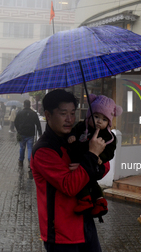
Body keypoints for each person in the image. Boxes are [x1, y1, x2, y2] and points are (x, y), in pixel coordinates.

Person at [31, 89, 110, 252]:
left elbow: (104, 166)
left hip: (85, 224)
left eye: (73, 113)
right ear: (48, 114)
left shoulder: (76, 138)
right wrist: (92, 156)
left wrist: (95, 161)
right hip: (62, 235)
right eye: (63, 113)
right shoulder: (44, 150)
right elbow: (70, 186)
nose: (70, 119)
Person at [67, 94, 122, 221]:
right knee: (88, 180)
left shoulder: (108, 137)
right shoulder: (82, 127)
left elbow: (110, 151)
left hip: (92, 162)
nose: (99, 121)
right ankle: (98, 201)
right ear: (89, 116)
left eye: (104, 119)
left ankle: (92, 200)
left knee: (87, 179)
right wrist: (73, 136)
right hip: (80, 159)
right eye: (96, 116)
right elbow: (74, 131)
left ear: (109, 122)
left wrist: (101, 157)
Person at [14, 100, 42, 169]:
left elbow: (15, 122)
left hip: (22, 133)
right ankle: (30, 162)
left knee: (22, 148)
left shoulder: (20, 113)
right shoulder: (33, 113)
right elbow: (38, 124)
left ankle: (21, 161)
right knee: (30, 148)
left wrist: (18, 130)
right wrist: (40, 133)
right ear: (29, 105)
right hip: (30, 134)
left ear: (24, 105)